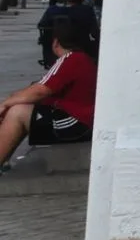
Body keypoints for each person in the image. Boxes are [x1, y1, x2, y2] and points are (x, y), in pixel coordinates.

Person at [0, 18, 98, 172]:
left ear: (56, 42)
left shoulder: (69, 59)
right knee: (21, 109)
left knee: (17, 112)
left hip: (73, 123)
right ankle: (3, 161)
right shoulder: (82, 59)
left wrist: (6, 103)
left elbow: (39, 90)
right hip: (82, 121)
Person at [36, 0, 97, 67]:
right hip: (81, 48)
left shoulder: (52, 10)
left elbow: (42, 25)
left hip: (54, 50)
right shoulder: (87, 11)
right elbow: (94, 32)